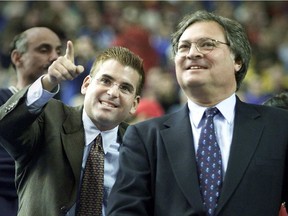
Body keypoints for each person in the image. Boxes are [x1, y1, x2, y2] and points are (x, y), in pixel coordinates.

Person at [107, 10, 288, 216]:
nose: (192, 53)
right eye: (183, 47)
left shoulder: (279, 126)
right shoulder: (144, 138)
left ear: (237, 59)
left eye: (207, 44)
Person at [0, 40, 145, 216]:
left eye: (125, 88)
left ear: (134, 104)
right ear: (86, 85)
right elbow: (6, 128)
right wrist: (49, 81)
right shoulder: (48, 117)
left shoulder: (141, 147)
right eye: (106, 80)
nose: (113, 93)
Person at [0, 26, 62, 216]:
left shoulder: (61, 110)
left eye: (58, 51)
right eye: (44, 50)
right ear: (17, 58)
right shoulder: (2, 100)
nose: (54, 57)